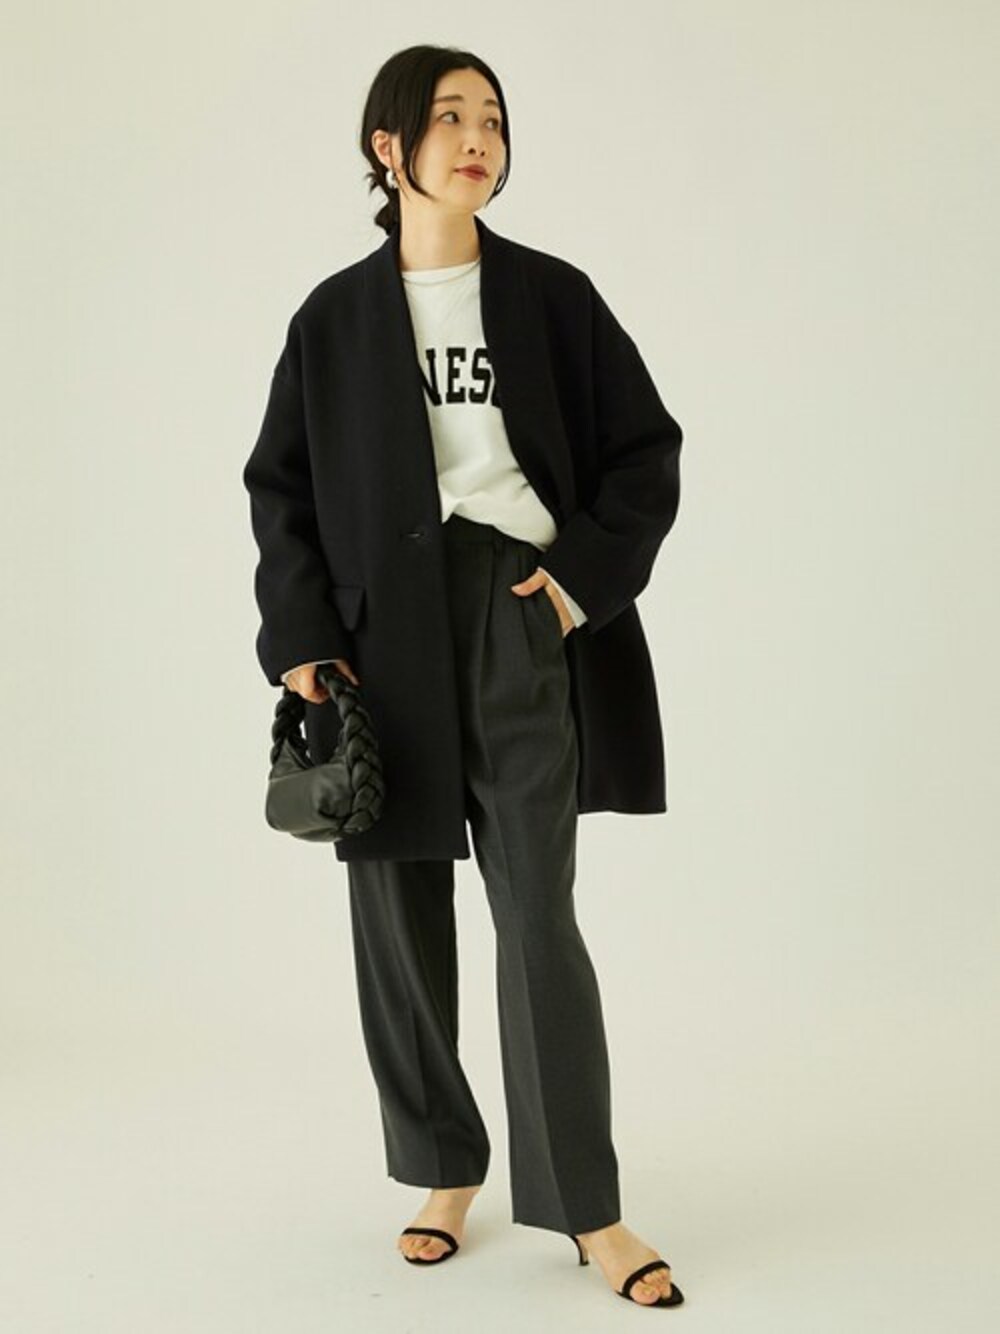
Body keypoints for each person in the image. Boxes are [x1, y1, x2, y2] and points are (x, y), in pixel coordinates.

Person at [244, 44, 685, 1310]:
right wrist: (302, 634)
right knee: (396, 907)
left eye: (491, 116)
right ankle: (443, 1166)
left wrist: (575, 581)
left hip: (513, 608)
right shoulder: (332, 319)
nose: (477, 137)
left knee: (535, 905)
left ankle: (587, 1204)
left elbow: (645, 450)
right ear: (388, 147)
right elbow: (280, 489)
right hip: (380, 634)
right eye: (448, 117)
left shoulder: (551, 296)